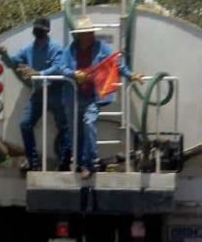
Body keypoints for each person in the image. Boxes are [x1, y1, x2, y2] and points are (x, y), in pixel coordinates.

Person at [56, 16, 142, 179]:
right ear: (80, 35)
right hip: (72, 97)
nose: (90, 35)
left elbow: (115, 63)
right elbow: (61, 67)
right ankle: (81, 164)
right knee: (75, 132)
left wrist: (130, 75)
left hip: (91, 97)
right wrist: (74, 74)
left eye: (91, 32)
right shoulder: (70, 50)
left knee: (89, 123)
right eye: (87, 33)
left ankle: (89, 164)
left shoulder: (101, 48)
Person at [0, 17, 68, 171]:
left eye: (41, 29)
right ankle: (33, 161)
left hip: (55, 91)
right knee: (25, 124)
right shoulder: (28, 49)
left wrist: (39, 73)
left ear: (47, 31)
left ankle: (65, 162)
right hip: (39, 93)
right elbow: (12, 63)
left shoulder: (55, 48)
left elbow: (59, 67)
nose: (38, 31)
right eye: (36, 28)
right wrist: (4, 55)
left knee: (64, 126)